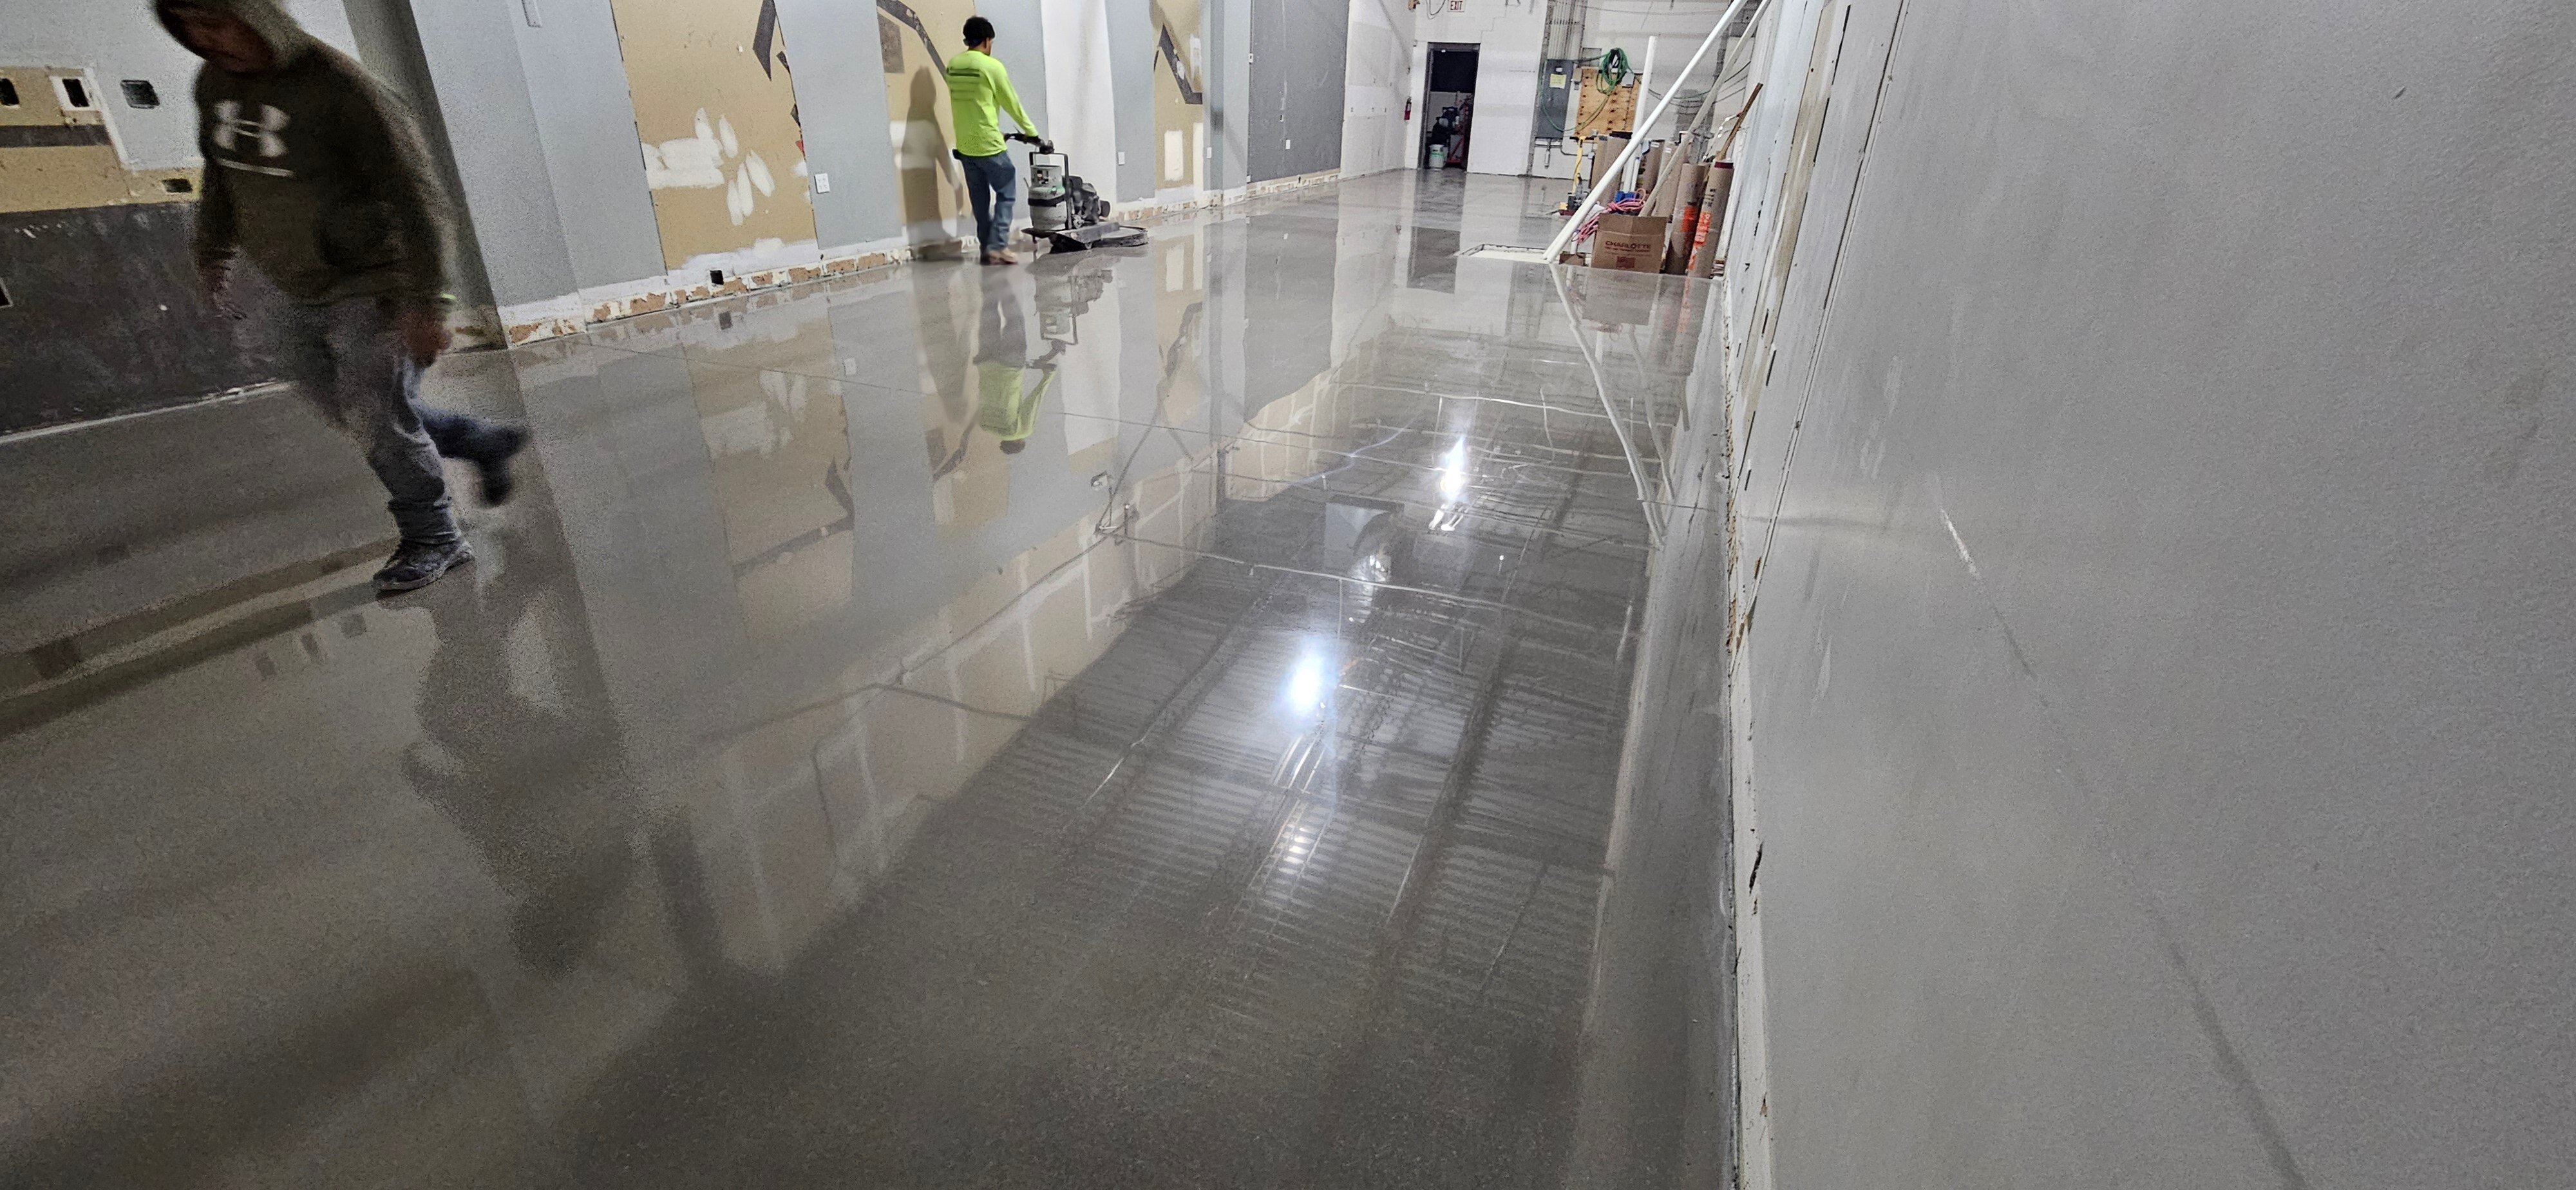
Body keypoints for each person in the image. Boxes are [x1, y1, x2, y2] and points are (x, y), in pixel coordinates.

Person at [156, 0, 526, 593]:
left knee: (375, 416)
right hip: (290, 279)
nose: (203, 38)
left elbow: (418, 196)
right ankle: (477, 440)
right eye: (188, 25)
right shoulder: (215, 82)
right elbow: (221, 170)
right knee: (353, 413)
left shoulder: (342, 89)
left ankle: (435, 537)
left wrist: (428, 300)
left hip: (372, 280)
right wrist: (212, 250)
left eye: (216, 20)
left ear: (255, 12)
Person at [944, 17, 1045, 266]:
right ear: (987, 41)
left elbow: (972, 103)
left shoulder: (953, 65)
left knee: (980, 201)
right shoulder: (992, 67)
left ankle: (986, 248)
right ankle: (998, 245)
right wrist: (1032, 133)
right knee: (1006, 192)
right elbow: (1012, 104)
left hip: (966, 147)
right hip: (990, 145)